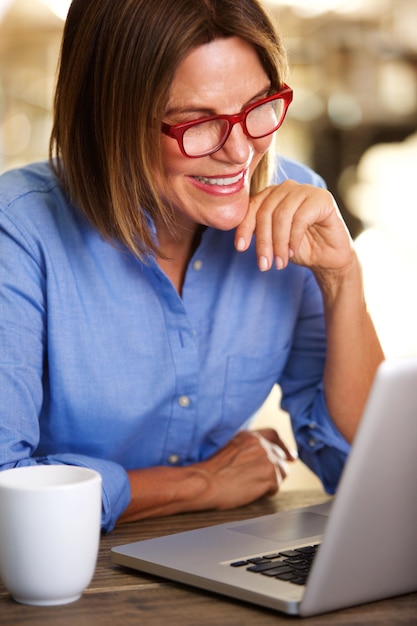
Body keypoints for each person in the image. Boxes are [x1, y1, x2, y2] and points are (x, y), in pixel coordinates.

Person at [0, 0, 383, 532]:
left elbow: (364, 468)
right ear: (109, 120)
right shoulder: (17, 233)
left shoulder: (297, 209)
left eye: (258, 107)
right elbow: (6, 493)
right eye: (197, 123)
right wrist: (201, 483)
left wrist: (343, 280)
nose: (239, 152)